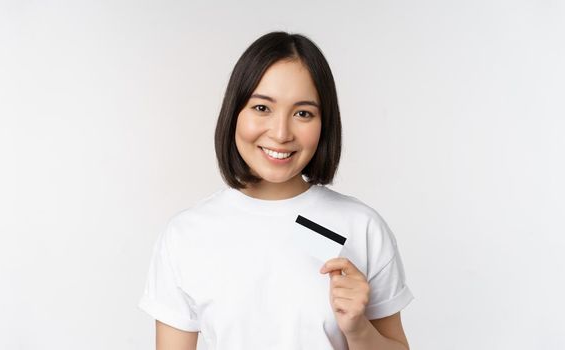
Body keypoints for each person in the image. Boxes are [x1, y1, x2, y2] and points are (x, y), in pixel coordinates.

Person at [138, 31, 414, 350]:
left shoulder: (361, 227)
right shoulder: (186, 235)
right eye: (262, 108)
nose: (281, 133)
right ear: (234, 113)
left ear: (324, 125)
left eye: (303, 113)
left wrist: (358, 329)